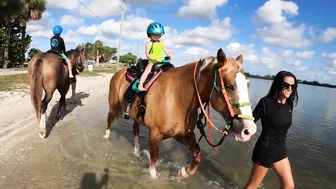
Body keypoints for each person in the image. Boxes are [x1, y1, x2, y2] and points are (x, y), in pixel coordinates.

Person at [244, 71, 299, 189]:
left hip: (280, 150)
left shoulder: (289, 105)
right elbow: (250, 121)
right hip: (266, 149)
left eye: (293, 86)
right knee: (253, 185)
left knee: (288, 186)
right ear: (278, 85)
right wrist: (230, 128)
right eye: (286, 85)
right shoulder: (266, 102)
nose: (290, 89)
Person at [137, 22, 172, 91]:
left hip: (160, 62)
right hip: (152, 62)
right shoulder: (149, 43)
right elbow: (148, 55)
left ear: (161, 35)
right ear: (150, 34)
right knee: (146, 72)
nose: (156, 36)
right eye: (154, 34)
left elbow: (166, 50)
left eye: (158, 34)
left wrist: (169, 55)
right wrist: (155, 58)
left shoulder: (161, 43)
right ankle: (140, 85)